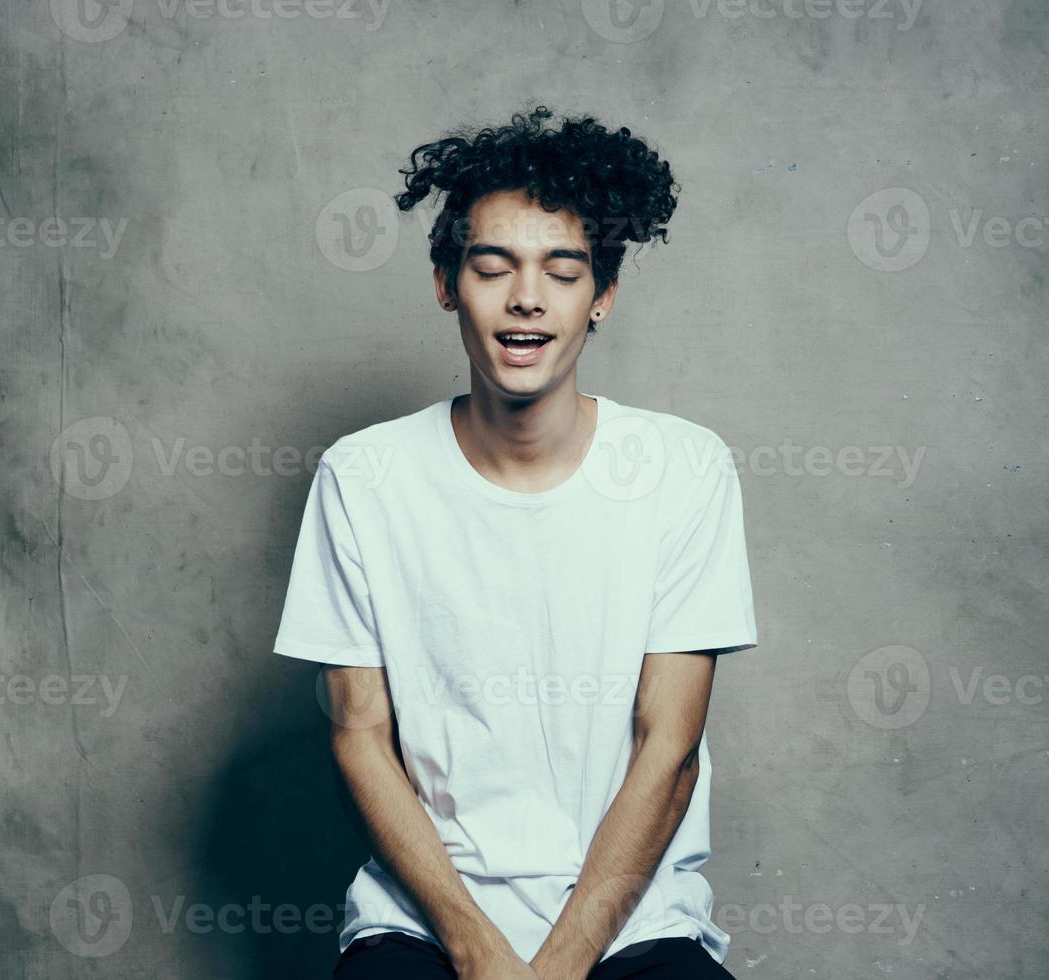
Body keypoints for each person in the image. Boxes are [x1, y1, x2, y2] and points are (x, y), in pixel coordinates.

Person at [273, 106, 759, 979]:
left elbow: (669, 746)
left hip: (632, 920)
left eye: (562, 272)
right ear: (445, 283)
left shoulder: (684, 470)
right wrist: (475, 947)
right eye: (492, 267)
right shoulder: (365, 477)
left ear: (601, 296)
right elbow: (358, 732)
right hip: (425, 923)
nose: (526, 297)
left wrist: (564, 960)